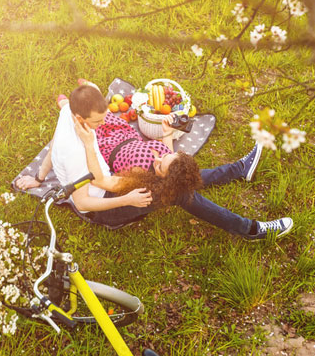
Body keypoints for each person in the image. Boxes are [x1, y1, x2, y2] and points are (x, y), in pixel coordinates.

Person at [15, 82, 293, 239]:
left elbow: (55, 145)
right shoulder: (83, 149)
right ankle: (250, 229)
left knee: (177, 181)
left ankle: (239, 171)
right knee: (180, 194)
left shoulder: (69, 119)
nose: (104, 123)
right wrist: (128, 200)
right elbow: (86, 200)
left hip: (111, 183)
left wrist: (39, 178)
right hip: (106, 207)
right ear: (81, 119)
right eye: (98, 120)